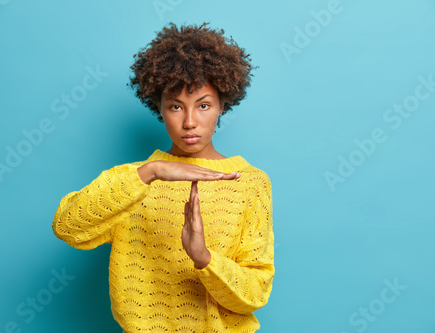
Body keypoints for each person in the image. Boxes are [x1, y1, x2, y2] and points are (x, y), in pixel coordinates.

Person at [52, 22, 274, 332]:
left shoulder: (251, 183)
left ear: (223, 105)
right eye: (175, 106)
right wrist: (151, 172)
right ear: (159, 107)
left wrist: (204, 259)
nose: (190, 122)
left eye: (204, 105)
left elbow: (256, 291)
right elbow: (67, 226)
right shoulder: (132, 181)